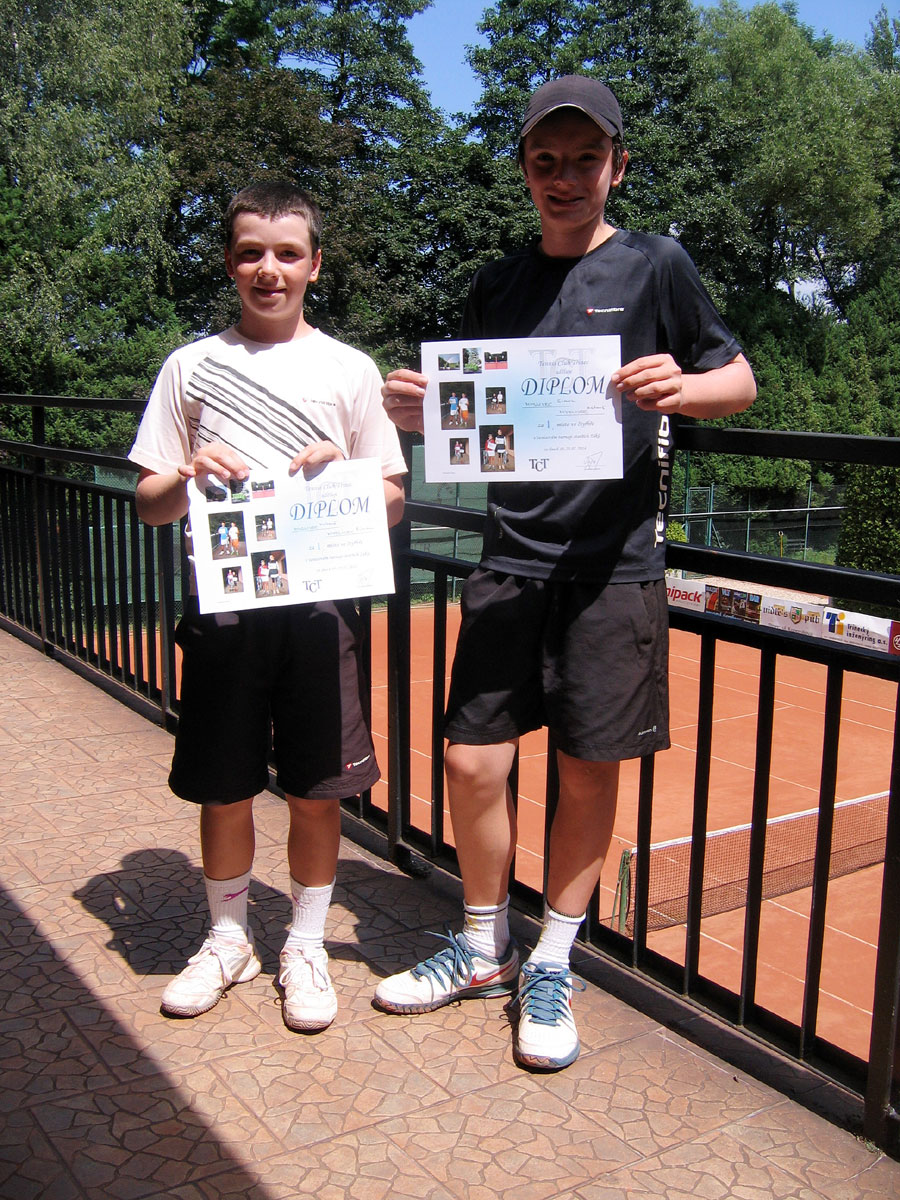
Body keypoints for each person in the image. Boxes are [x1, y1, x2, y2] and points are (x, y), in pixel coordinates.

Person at [376, 76, 755, 1070]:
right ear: (525, 171)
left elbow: (739, 378)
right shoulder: (498, 283)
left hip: (612, 570)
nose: (565, 177)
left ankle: (553, 957)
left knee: (587, 773)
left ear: (616, 167)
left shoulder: (657, 264)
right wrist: (421, 412)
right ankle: (482, 944)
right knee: (471, 764)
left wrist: (686, 387)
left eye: (586, 159)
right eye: (546, 160)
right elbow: (472, 418)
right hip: (512, 561)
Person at [130, 179, 406, 1032]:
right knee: (224, 787)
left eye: (288, 253)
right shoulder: (189, 366)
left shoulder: (350, 370)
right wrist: (186, 474)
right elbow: (148, 502)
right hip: (226, 616)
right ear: (229, 261)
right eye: (251, 252)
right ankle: (228, 940)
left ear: (315, 265)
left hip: (320, 617)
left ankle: (305, 944)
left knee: (319, 791)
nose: (269, 269)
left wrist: (344, 480)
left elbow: (394, 497)